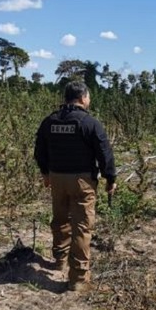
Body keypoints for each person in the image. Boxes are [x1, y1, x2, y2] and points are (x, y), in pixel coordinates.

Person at [34, 81, 116, 291]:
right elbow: (104, 153)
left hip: (57, 179)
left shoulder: (49, 121)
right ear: (82, 98)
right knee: (81, 227)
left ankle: (60, 260)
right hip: (82, 181)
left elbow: (39, 151)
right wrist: (110, 179)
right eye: (88, 97)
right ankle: (78, 278)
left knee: (60, 219)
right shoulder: (90, 123)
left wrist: (45, 173)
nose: (89, 100)